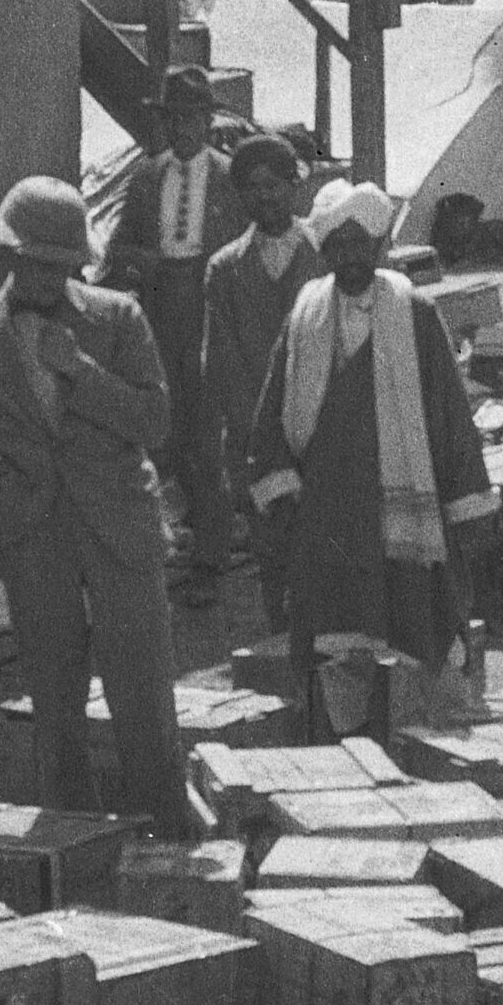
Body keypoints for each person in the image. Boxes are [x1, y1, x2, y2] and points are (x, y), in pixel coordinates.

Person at [0, 173, 192, 837]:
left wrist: (80, 370)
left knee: (143, 694)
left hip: (120, 527)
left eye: (61, 265)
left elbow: (155, 422)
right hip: (32, 534)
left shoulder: (118, 317)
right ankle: (74, 843)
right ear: (9, 255)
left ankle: (163, 834)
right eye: (35, 262)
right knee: (54, 699)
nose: (48, 277)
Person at [241, 181, 503, 734]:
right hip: (330, 508)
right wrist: (280, 488)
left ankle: (426, 736)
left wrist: (467, 502)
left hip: (402, 501)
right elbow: (273, 407)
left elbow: (448, 412)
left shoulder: (414, 312)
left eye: (360, 244)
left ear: (380, 245)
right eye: (337, 246)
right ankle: (342, 743)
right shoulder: (305, 314)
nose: (349, 257)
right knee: (336, 635)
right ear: (324, 251)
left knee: (419, 622)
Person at [103, 64, 237, 595]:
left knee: (207, 434)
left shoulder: (229, 177)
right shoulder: (146, 177)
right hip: (161, 308)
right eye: (175, 119)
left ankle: (211, 558)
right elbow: (118, 249)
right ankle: (179, 542)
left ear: (208, 122)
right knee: (167, 428)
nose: (183, 129)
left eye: (193, 118)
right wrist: (146, 264)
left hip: (209, 305)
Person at [192, 135, 320, 632]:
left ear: (294, 186)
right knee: (275, 553)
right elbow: (221, 362)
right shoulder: (225, 267)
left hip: (324, 427)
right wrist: (260, 437)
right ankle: (284, 648)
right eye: (252, 187)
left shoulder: (324, 252)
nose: (264, 196)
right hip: (256, 438)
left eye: (274, 184)